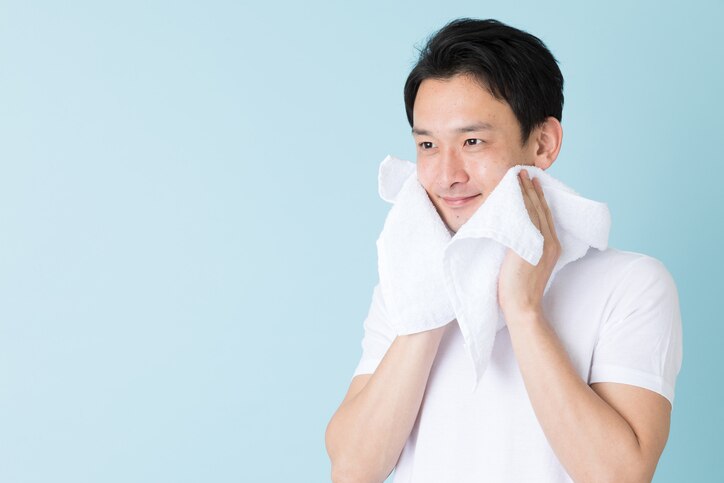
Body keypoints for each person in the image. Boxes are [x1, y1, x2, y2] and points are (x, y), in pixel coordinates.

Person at [325, 17, 683, 483]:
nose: (446, 174)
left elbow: (619, 476)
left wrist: (524, 309)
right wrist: (432, 295)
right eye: (428, 145)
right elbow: (353, 468)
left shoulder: (631, 284)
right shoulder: (405, 285)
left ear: (543, 143)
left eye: (472, 141)